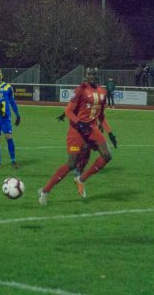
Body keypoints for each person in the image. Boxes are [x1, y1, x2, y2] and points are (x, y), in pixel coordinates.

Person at [38, 67, 111, 205]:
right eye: (90, 74)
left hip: (92, 129)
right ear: (85, 76)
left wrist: (109, 132)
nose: (92, 76)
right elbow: (68, 111)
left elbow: (101, 115)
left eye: (95, 74)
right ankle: (45, 191)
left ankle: (81, 179)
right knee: (71, 163)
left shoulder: (102, 91)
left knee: (107, 155)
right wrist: (79, 124)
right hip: (76, 131)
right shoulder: (81, 89)